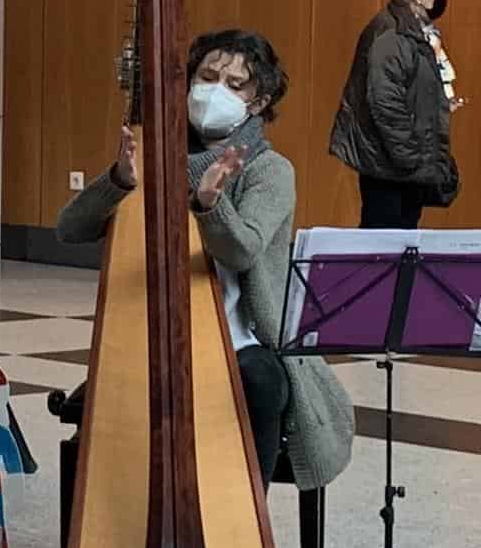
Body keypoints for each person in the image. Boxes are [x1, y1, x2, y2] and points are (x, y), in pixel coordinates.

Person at [58, 29, 353, 492]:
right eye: (208, 76)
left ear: (257, 103)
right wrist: (117, 180)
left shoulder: (269, 170)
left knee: (263, 383)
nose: (217, 91)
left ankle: (244, 517)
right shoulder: (148, 151)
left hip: (241, 335)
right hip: (151, 331)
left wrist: (212, 201)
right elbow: (69, 229)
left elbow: (241, 249)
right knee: (127, 388)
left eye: (236, 85)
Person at [331, 0, 460, 229]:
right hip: (389, 164)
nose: (444, 0)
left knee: (402, 242)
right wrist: (410, 157)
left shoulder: (412, 30)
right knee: (384, 245)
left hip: (399, 162)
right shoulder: (393, 34)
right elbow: (384, 101)